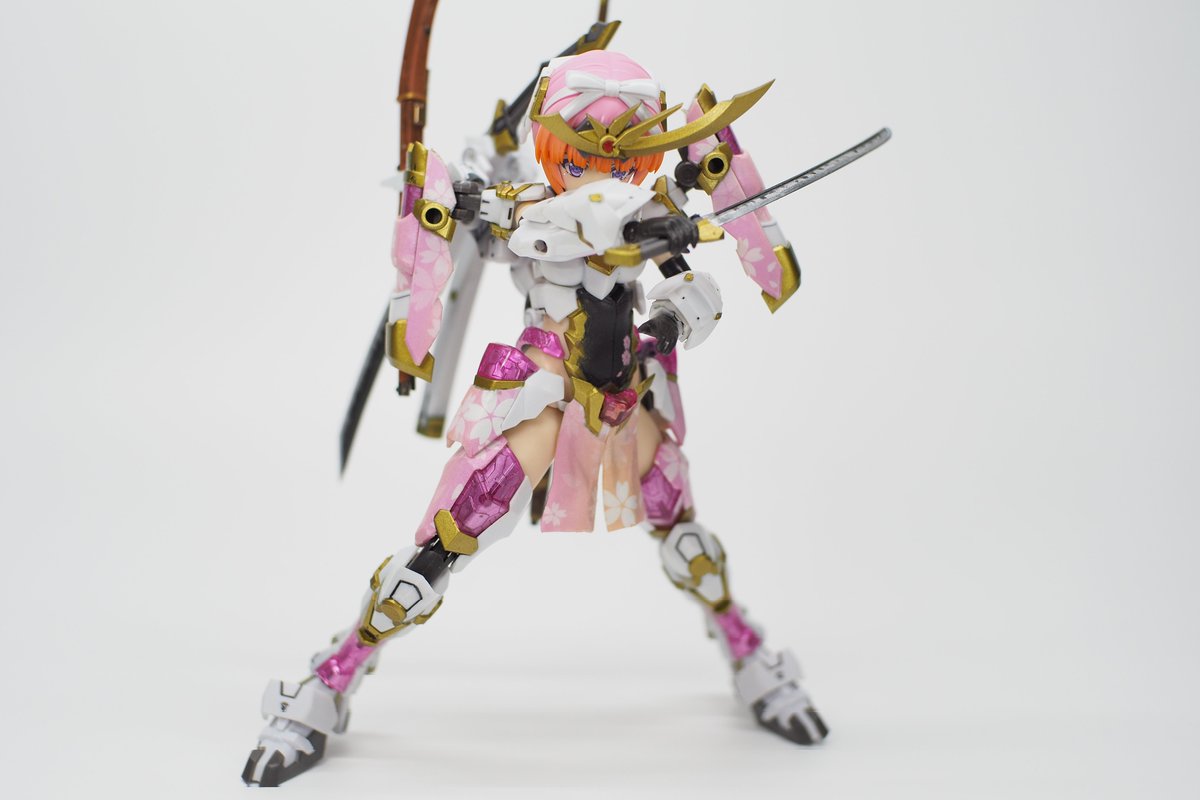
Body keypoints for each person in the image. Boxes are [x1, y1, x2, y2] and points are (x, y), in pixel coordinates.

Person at [243, 49, 824, 788]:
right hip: (542, 395)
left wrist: (670, 317)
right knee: (444, 543)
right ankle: (330, 679)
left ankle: (745, 647)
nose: (604, 171)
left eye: (624, 156)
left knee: (683, 534)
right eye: (583, 154)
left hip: (621, 391)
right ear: (553, 146)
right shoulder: (523, 212)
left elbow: (695, 294)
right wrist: (444, 203)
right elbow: (525, 224)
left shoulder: (655, 213)